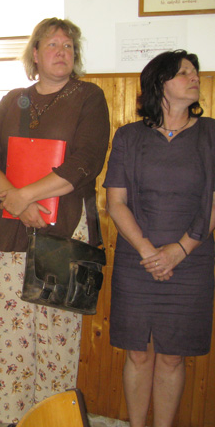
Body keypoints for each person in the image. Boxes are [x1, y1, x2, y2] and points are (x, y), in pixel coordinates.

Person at [0, 17, 110, 424]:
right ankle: (12, 419)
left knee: (58, 339)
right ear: (35, 54)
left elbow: (86, 162)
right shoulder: (13, 98)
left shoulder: (89, 96)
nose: (62, 52)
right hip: (12, 228)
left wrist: (23, 196)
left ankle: (53, 421)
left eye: (69, 46)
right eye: (53, 44)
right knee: (11, 334)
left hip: (67, 227)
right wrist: (16, 201)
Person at [104, 50, 213, 427]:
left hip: (192, 261)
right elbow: (115, 203)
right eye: (184, 73)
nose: (194, 77)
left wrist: (180, 250)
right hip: (138, 260)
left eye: (195, 72)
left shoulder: (211, 134)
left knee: (172, 356)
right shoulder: (129, 136)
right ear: (159, 84)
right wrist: (149, 252)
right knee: (137, 353)